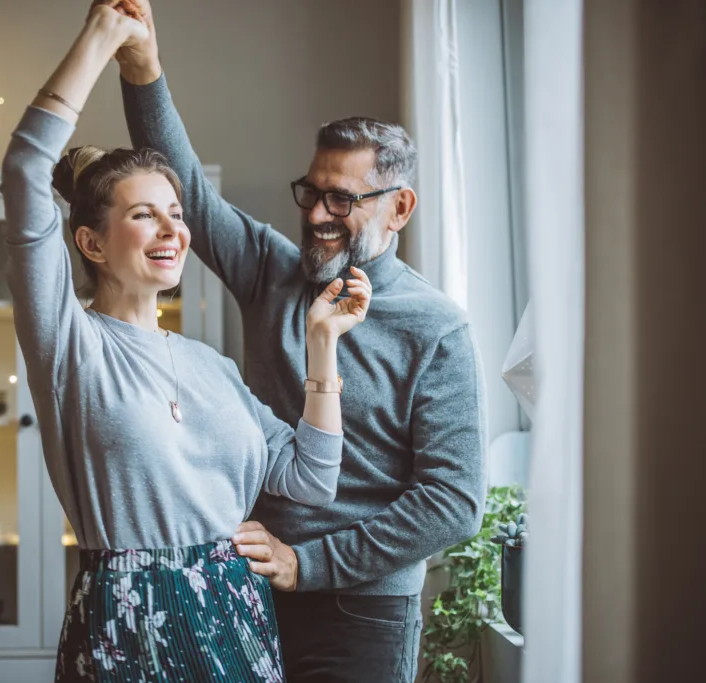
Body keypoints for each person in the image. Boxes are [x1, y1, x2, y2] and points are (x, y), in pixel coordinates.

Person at [111, 2, 488, 681]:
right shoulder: (272, 270)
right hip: (248, 581)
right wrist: (142, 68)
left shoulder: (438, 328)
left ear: (398, 207)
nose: (316, 214)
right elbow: (187, 190)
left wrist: (308, 563)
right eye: (310, 192)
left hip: (364, 612)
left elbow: (453, 502)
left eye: (341, 200)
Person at [0, 3, 372, 681]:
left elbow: (311, 479)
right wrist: (104, 35)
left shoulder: (213, 367)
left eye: (176, 213)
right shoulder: (71, 346)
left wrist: (323, 343)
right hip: (125, 620)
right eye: (143, 215)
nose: (172, 230)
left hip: (236, 613)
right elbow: (27, 169)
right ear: (91, 242)